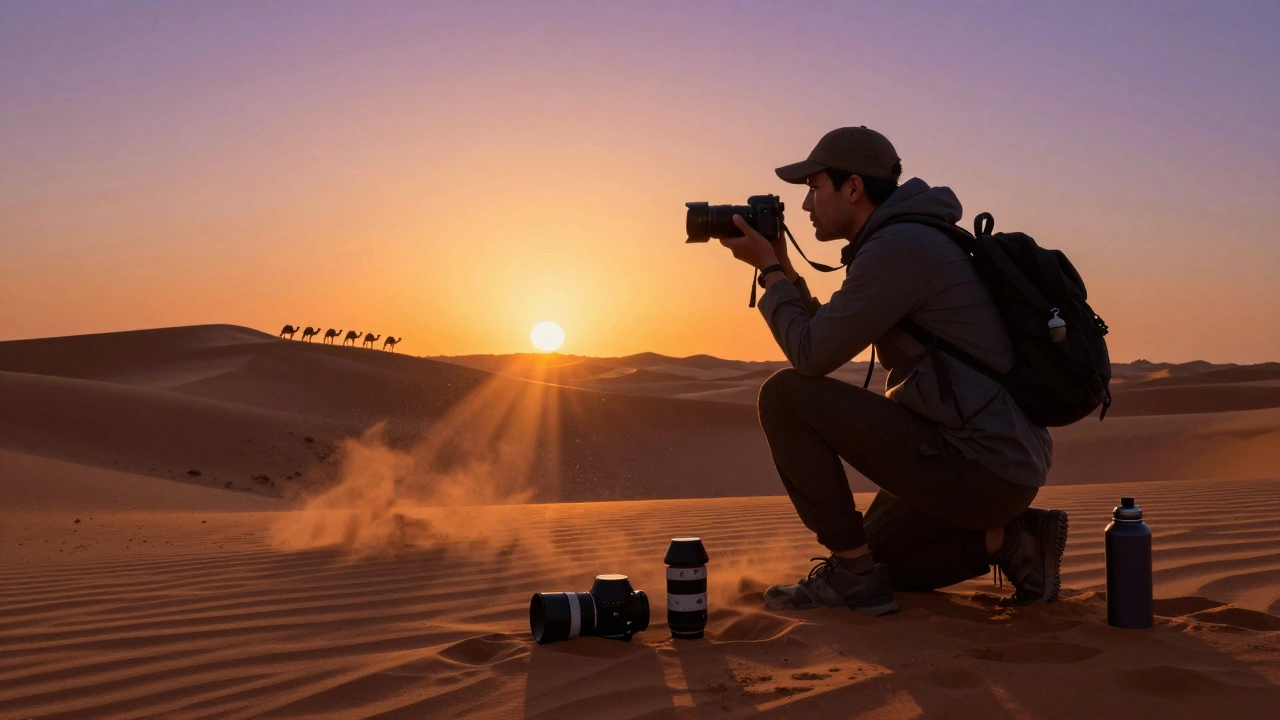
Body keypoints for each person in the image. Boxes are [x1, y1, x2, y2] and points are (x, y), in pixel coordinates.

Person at [718, 126, 1066, 616]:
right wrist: (784, 269)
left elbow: (810, 356)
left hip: (979, 463)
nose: (805, 206)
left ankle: (854, 580)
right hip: (992, 461)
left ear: (853, 188)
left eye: (815, 188)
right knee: (878, 560)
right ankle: (1009, 540)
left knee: (784, 397)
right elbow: (827, 334)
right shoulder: (905, 239)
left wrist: (770, 271)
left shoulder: (898, 250)